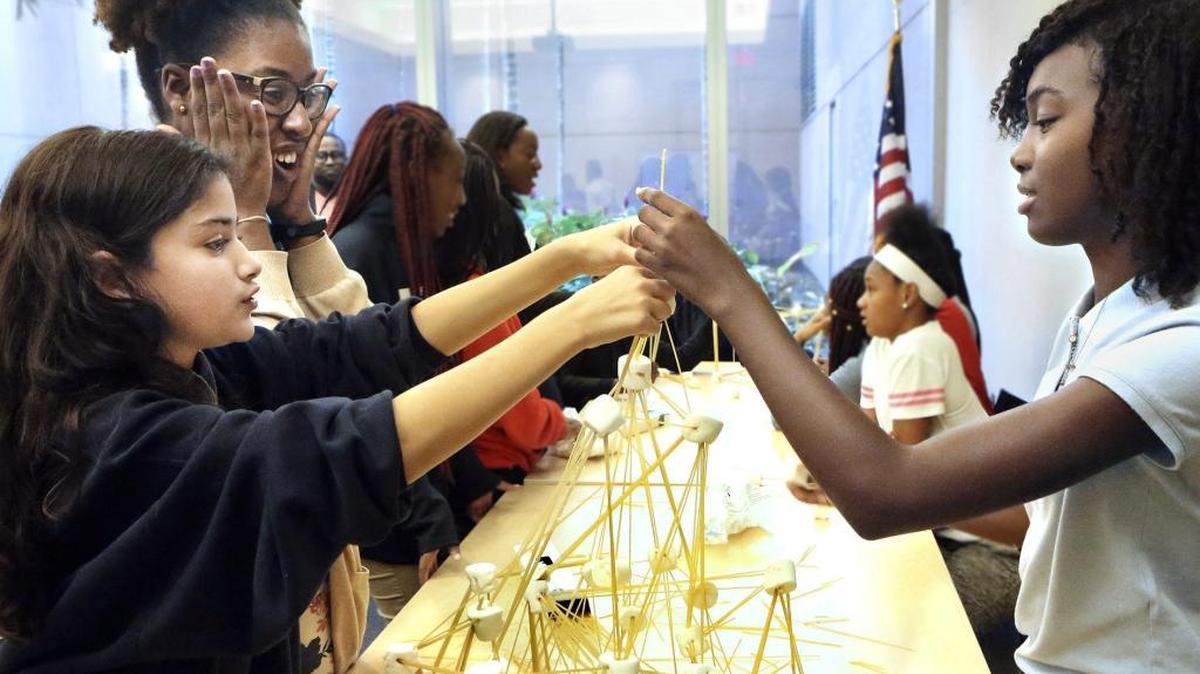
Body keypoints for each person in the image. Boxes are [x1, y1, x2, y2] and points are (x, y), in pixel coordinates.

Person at [631, 1, 1200, 671]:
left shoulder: (1177, 347)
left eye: (1046, 120)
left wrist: (727, 290)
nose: (1019, 153)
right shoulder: (1103, 318)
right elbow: (1045, 521)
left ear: (1145, 124)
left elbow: (886, 490)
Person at [0, 127, 672, 673]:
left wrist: (561, 262)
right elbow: (342, 454)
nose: (244, 261)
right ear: (112, 278)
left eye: (237, 233)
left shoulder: (193, 366)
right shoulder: (113, 437)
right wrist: (576, 322)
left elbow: (363, 346)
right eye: (213, 242)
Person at [95, 0, 367, 328]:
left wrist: (300, 224)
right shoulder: (140, 225)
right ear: (182, 90)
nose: (301, 123)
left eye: (305, 93)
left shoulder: (272, 214)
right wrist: (246, 218)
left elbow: (370, 356)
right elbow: (274, 367)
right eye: (273, 92)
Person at [328, 102, 466, 304]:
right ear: (415, 173)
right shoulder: (357, 256)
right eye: (457, 180)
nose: (462, 199)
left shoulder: (405, 247)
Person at [466, 111, 541, 270]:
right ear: (501, 157)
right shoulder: (496, 212)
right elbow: (521, 287)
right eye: (530, 154)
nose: (538, 164)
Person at [792, 257, 870, 400]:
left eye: (829, 307)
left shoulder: (859, 366)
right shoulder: (868, 352)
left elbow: (781, 417)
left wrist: (799, 338)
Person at [313, 132, 347, 216]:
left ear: (346, 159)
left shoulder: (357, 197)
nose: (330, 162)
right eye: (321, 156)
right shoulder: (298, 199)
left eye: (336, 155)